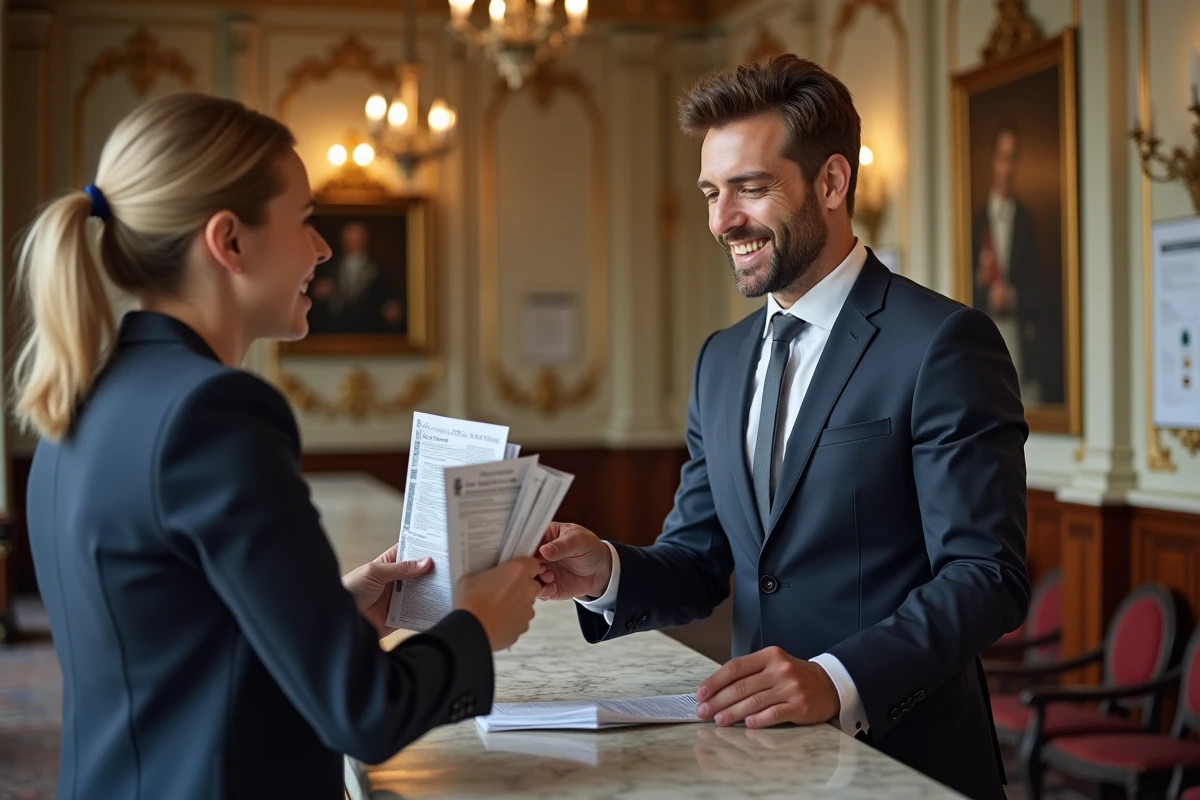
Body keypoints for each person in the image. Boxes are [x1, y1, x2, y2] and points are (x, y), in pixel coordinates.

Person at [12, 91, 542, 800]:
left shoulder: (78, 396)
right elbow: (366, 714)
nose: (322, 248)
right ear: (228, 241)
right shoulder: (213, 413)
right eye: (306, 220)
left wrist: (333, 607)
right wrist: (477, 624)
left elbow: (165, 639)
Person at [535, 56, 1030, 800]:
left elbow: (986, 575)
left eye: (750, 188)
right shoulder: (720, 360)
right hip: (756, 763)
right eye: (711, 192)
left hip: (908, 763)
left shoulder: (942, 342)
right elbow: (700, 560)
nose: (722, 220)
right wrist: (605, 571)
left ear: (831, 183)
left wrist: (836, 681)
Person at [971, 122, 1060, 405]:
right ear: (993, 161)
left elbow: (1045, 291)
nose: (1007, 169)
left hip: (1021, 339)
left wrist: (1014, 297)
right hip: (982, 338)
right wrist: (981, 284)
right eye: (1002, 158)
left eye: (1013, 158)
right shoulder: (974, 223)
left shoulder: (1028, 221)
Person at [307, 221, 405, 334]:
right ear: (343, 240)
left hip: (369, 328)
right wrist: (319, 293)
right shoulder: (329, 267)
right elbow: (315, 295)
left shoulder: (378, 269)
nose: (353, 242)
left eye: (357, 238)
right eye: (350, 238)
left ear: (365, 240)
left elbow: (389, 299)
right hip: (336, 328)